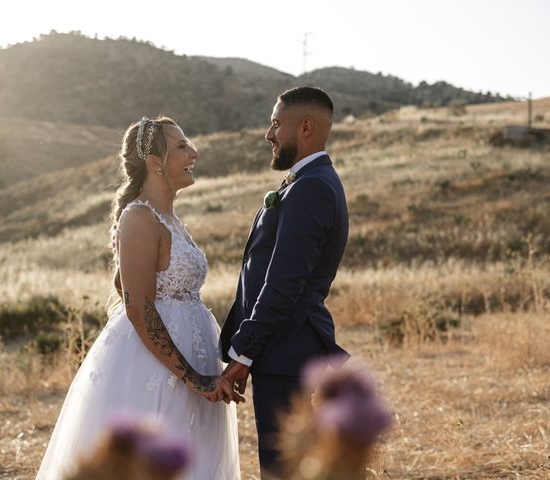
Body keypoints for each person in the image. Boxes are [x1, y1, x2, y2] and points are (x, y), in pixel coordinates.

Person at [37, 116, 242, 480]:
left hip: (194, 356)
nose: (194, 152)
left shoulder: (170, 219)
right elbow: (139, 310)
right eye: (181, 146)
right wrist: (196, 379)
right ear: (154, 162)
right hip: (154, 368)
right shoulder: (140, 219)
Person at [219, 86, 350, 478]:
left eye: (276, 123)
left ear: (305, 126)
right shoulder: (306, 181)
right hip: (286, 346)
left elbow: (283, 283)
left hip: (286, 347)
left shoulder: (311, 187)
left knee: (283, 469)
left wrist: (243, 352)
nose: (268, 133)